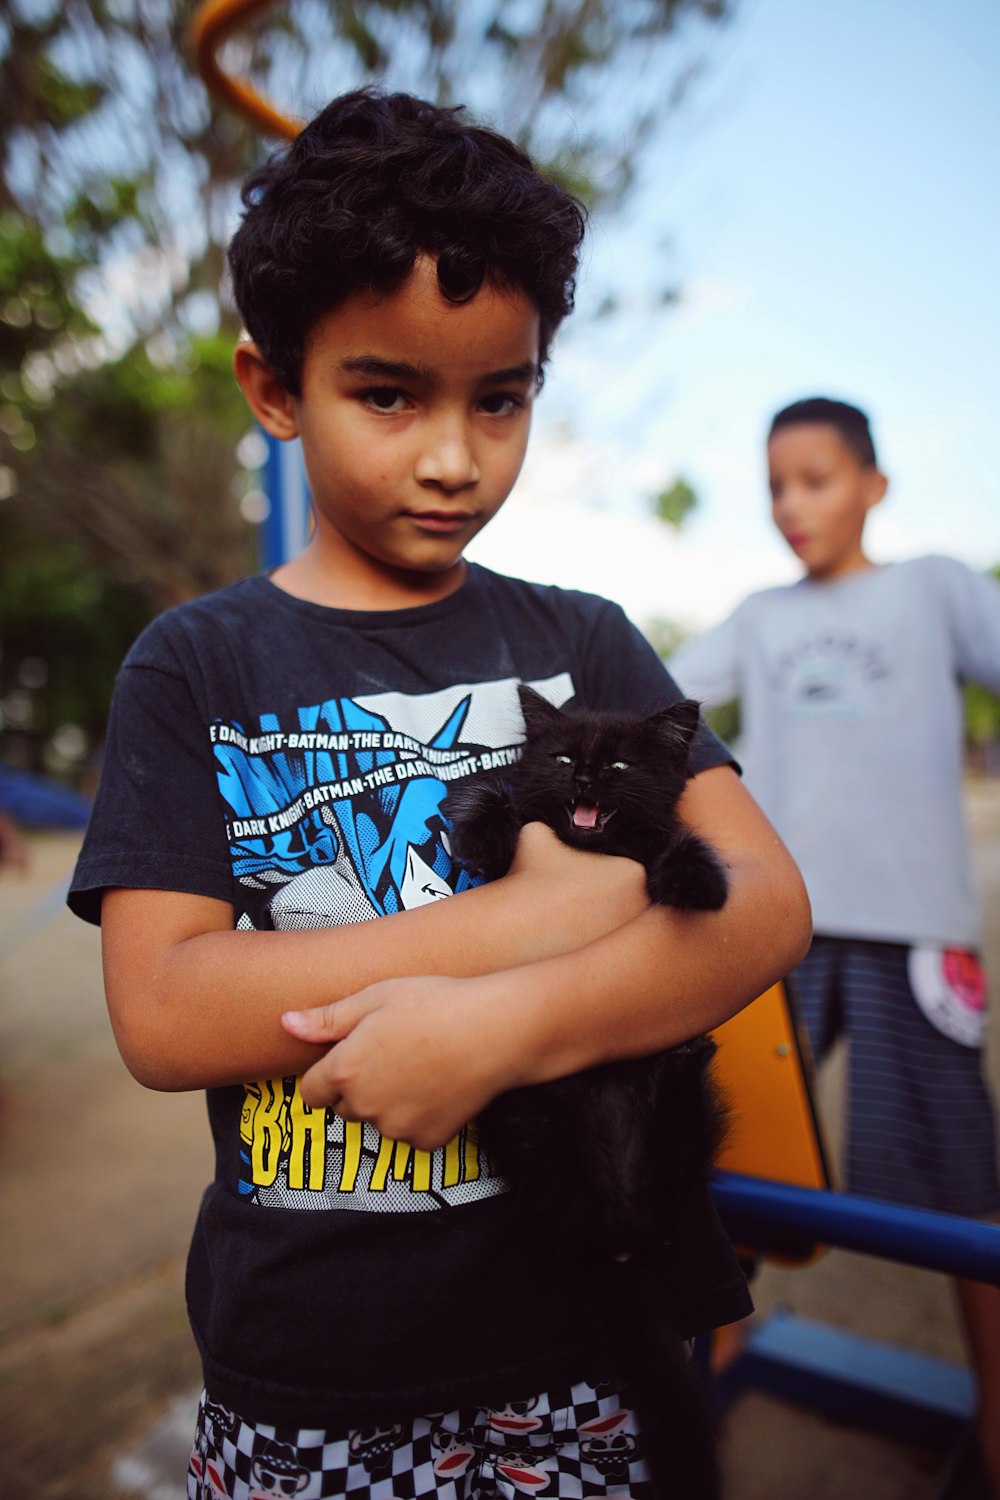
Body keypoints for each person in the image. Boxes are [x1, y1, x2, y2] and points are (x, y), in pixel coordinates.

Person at [68, 90, 809, 1499]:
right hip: (312, 1372)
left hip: (590, 1336)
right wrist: (527, 922)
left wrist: (504, 1028)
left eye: (503, 397)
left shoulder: (582, 639)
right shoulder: (196, 662)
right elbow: (165, 1011)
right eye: (388, 393)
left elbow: (766, 905)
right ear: (275, 388)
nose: (457, 456)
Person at [671, 394, 1000, 1494]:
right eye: (774, 485)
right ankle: (704, 1367)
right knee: (735, 1148)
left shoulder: (935, 587)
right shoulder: (760, 615)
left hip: (913, 931)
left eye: (814, 479)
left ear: (873, 483)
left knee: (956, 1189)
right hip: (781, 926)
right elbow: (654, 694)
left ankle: (997, 1425)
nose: (791, 505)